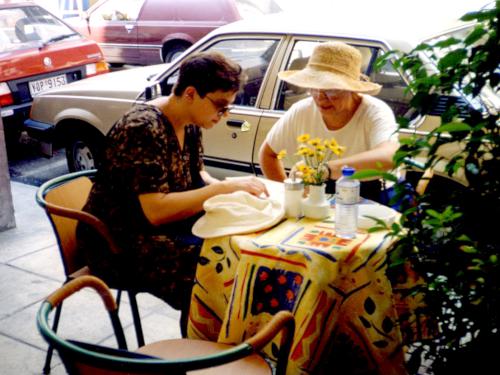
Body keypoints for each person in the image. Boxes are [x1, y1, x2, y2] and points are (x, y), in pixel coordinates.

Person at [76, 51, 268, 336]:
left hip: (159, 230)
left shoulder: (189, 123)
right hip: (117, 244)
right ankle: (202, 351)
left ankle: (220, 341)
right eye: (220, 106)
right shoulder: (143, 127)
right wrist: (223, 188)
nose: (223, 115)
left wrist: (231, 194)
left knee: (237, 246)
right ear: (191, 93)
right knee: (213, 268)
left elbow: (197, 176)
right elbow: (156, 212)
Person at [259, 41, 400, 201]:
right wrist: (290, 196)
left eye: (331, 90)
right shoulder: (302, 110)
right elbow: (268, 154)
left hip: (371, 192)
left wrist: (325, 169)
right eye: (314, 87)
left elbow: (390, 157)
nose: (320, 97)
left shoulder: (374, 111)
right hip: (319, 193)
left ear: (351, 89)